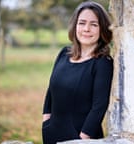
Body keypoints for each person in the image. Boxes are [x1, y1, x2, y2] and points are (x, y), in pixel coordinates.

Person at [42, 1, 113, 143]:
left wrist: (83, 138)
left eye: (94, 24)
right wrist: (46, 121)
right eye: (82, 23)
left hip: (81, 138)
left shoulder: (103, 63)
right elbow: (51, 90)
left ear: (102, 29)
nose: (86, 29)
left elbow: (99, 106)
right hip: (52, 133)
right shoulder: (64, 53)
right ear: (75, 26)